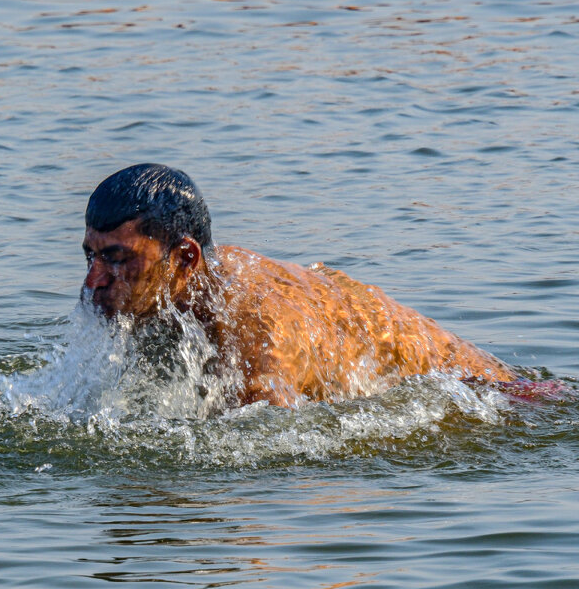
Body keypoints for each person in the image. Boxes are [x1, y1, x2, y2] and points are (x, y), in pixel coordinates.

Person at [80, 163, 517, 407]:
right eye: (91, 256)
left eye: (117, 259)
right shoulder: (172, 290)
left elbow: (266, 451)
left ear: (185, 259)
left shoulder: (253, 329)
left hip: (497, 391)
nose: (94, 281)